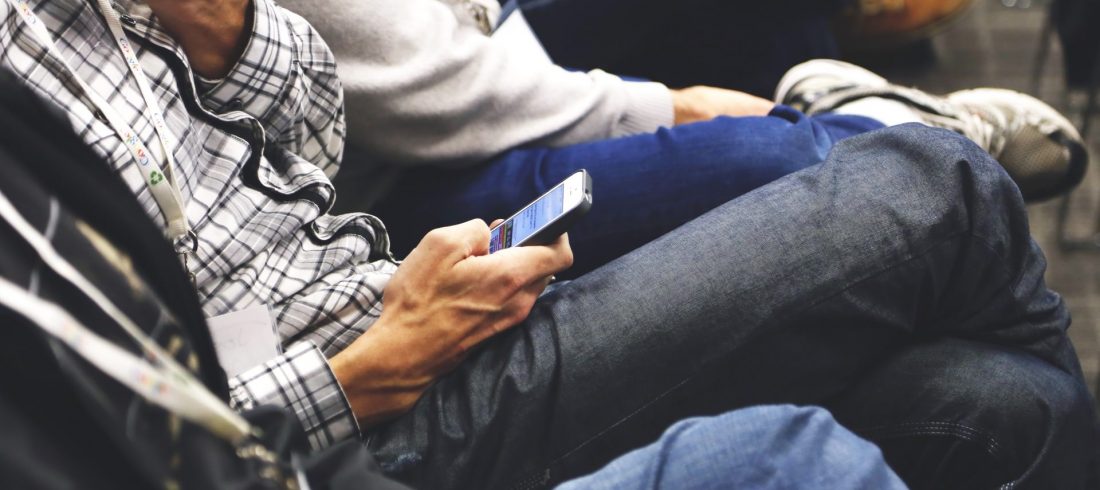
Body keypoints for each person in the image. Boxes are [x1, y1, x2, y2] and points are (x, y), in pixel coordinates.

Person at [1, 1, 1096, 489]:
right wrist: (359, 370)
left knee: (992, 402)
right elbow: (132, 433)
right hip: (368, 418)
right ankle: (862, 125)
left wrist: (224, 30)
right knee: (934, 192)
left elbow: (296, 161)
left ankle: (847, 125)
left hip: (391, 297)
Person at [288, 0, 1088, 277]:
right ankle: (880, 137)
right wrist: (668, 108)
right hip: (397, 196)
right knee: (769, 159)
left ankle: (826, 110)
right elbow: (433, 94)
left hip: (480, 45)